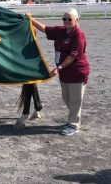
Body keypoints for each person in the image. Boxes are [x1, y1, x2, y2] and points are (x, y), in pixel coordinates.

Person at [27, 8, 90, 136]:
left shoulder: (78, 34)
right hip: (64, 72)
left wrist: (58, 68)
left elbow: (72, 56)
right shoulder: (61, 31)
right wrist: (31, 19)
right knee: (66, 97)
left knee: (75, 100)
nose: (66, 21)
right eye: (64, 19)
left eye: (69, 19)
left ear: (76, 19)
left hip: (77, 71)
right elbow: (45, 29)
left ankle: (74, 124)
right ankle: (72, 119)